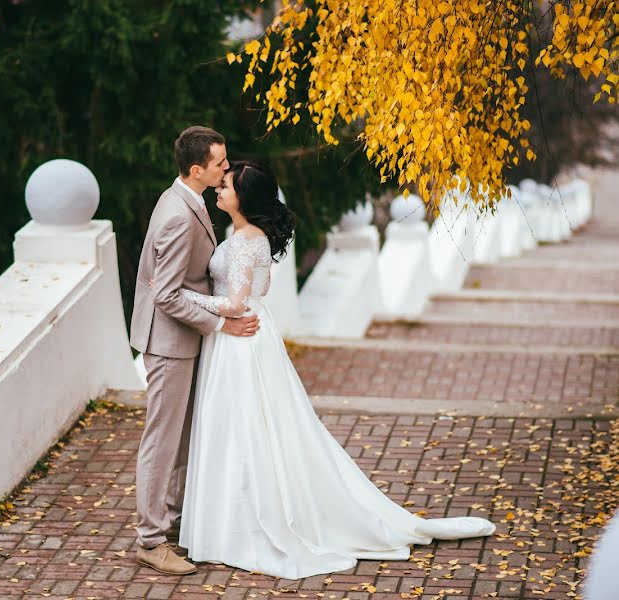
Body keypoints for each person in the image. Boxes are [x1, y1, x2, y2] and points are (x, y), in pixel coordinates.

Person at [177, 160, 497, 579]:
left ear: (245, 198)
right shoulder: (243, 236)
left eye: (227, 185)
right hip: (249, 335)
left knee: (245, 427)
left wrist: (183, 296)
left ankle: (239, 525)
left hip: (240, 338)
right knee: (250, 426)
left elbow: (236, 304)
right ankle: (232, 519)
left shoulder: (243, 240)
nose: (219, 188)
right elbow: (263, 288)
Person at [129, 126, 260, 575]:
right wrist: (220, 323)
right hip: (168, 344)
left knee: (181, 438)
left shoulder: (189, 198)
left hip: (183, 339)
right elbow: (165, 294)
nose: (228, 168)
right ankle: (149, 540)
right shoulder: (179, 216)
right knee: (162, 441)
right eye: (221, 163)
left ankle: (171, 522)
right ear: (197, 169)